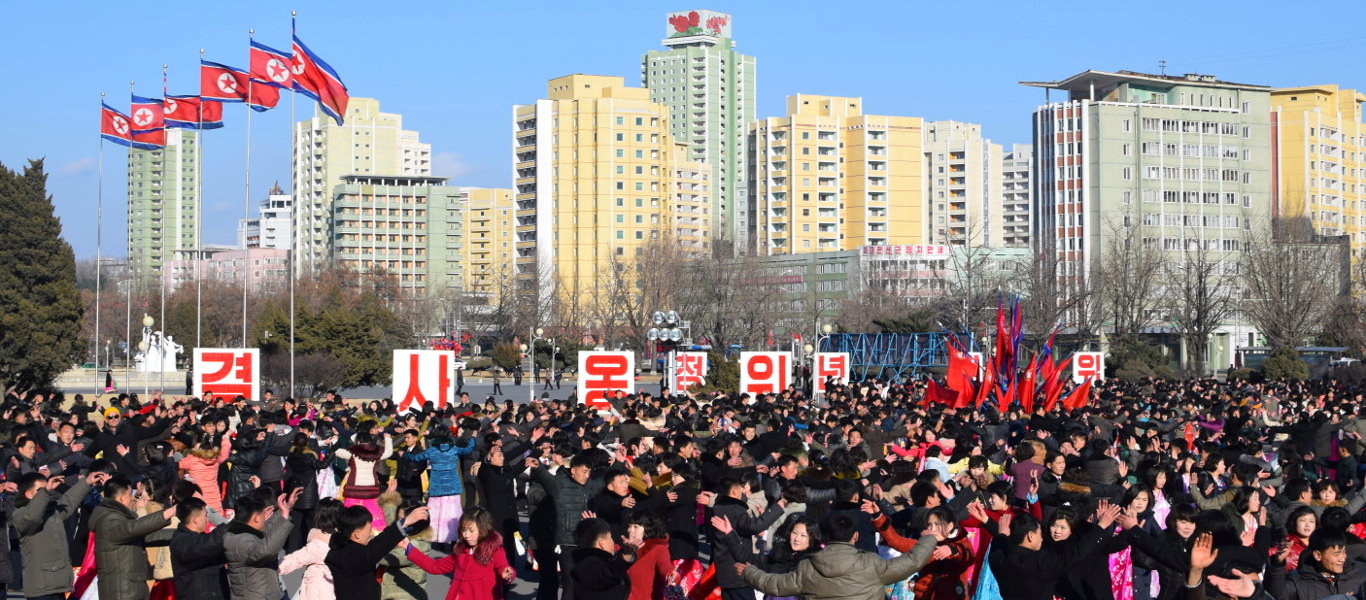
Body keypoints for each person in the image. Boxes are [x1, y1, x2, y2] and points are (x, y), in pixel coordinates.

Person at [740, 511, 940, 600]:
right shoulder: (871, 563)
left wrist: (749, 572)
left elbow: (774, 585)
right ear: (855, 536)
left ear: (826, 536)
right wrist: (930, 538)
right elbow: (913, 561)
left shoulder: (808, 566)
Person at [14, 470, 105, 600]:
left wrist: (86, 482)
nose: (46, 492)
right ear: (28, 494)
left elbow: (68, 501)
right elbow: (32, 518)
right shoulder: (20, 515)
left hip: (58, 584)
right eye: (40, 490)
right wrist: (45, 492)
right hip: (40, 588)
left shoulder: (51, 512)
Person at [89, 475, 176, 600]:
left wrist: (180, 534)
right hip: (121, 591)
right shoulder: (109, 520)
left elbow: (148, 536)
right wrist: (168, 514)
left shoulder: (120, 517)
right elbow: (133, 528)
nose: (133, 499)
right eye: (130, 495)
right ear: (120, 499)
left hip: (132, 588)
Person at [406, 506, 514, 600]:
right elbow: (434, 566)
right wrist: (408, 548)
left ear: (483, 529)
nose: (466, 535)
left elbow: (503, 567)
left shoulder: (494, 551)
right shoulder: (460, 552)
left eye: (471, 531)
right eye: (464, 530)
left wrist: (507, 574)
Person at [324, 505, 428, 600]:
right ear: (357, 535)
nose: (371, 533)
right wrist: (403, 524)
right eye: (369, 530)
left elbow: (376, 544)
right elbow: (377, 546)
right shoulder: (353, 557)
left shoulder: (340, 550)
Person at [401, 432, 475, 545]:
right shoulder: (454, 449)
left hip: (437, 488)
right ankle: (453, 538)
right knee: (453, 514)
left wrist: (404, 454)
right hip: (452, 488)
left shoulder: (432, 451)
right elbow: (468, 450)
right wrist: (472, 439)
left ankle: (435, 537)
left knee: (435, 514)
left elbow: (416, 458)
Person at [224, 489, 299, 600]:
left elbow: (264, 531)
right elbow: (265, 550)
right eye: (262, 515)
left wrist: (285, 509)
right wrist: (284, 517)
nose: (265, 518)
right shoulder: (241, 541)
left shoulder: (239, 534)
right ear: (255, 518)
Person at [279, 499, 344, 600]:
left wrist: (273, 567)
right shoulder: (345, 540)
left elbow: (296, 559)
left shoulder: (318, 544)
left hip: (318, 593)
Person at [169, 498, 229, 600]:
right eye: (205, 515)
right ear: (195, 519)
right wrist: (227, 527)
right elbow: (203, 546)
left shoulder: (200, 537)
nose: (207, 519)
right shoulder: (181, 542)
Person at [569, 518, 635, 600]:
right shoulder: (588, 564)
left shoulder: (585, 561)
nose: (613, 542)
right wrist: (625, 555)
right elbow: (606, 574)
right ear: (602, 544)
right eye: (611, 538)